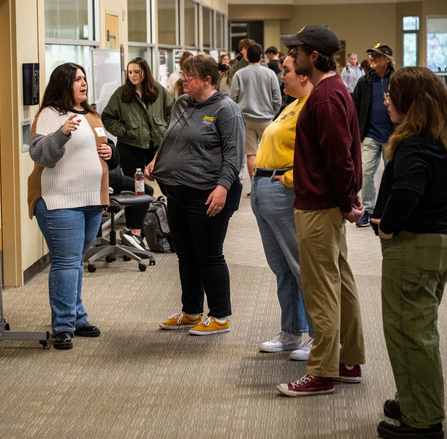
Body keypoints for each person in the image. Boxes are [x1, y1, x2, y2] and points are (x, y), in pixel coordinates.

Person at [276, 25, 366, 397]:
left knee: (321, 289)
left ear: (314, 56)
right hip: (327, 204)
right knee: (340, 283)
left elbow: (339, 158)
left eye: (296, 51)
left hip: (319, 207)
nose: (291, 57)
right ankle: (347, 361)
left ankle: (323, 371)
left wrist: (346, 203)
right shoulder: (332, 92)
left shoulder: (325, 97)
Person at [370, 67, 447, 439]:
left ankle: (425, 420)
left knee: (409, 332)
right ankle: (413, 397)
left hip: (414, 245)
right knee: (419, 327)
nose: (386, 100)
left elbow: (408, 193)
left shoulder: (414, 143)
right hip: (436, 245)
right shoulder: (439, 138)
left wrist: (386, 226)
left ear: (410, 101)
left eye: (391, 95)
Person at [146, 54, 244, 335]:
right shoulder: (182, 103)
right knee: (186, 255)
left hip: (209, 195)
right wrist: (157, 160)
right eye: (182, 73)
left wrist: (222, 187)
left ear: (207, 80)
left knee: (209, 255)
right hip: (177, 194)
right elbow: (171, 138)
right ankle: (191, 312)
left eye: (188, 75)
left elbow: (233, 156)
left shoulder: (227, 110)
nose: (182, 79)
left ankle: (220, 316)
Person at [27, 63, 119, 350]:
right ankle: (64, 326)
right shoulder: (49, 115)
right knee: (66, 263)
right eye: (77, 80)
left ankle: (77, 318)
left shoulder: (91, 113)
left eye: (84, 79)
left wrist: (110, 151)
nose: (83, 83)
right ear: (63, 84)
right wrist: (62, 133)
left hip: (91, 200)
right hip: (59, 201)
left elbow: (110, 155)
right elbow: (41, 155)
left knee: (74, 263)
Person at [252, 55, 314, 361]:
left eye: (286, 71)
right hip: (263, 189)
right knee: (283, 269)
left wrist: (288, 179)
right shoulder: (290, 105)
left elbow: (317, 157)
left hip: (282, 191)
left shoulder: (310, 107)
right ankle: (291, 333)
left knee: (302, 267)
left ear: (303, 76)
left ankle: (319, 337)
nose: (282, 76)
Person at [102, 57, 173, 249]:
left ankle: (172, 228)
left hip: (156, 147)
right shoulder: (122, 94)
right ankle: (135, 233)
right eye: (130, 72)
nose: (133, 76)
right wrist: (125, 132)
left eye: (137, 72)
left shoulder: (158, 91)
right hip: (130, 146)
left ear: (145, 73)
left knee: (168, 186)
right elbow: (107, 117)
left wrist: (164, 130)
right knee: (137, 189)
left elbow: (173, 112)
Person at [352, 43, 395, 228]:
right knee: (366, 172)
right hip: (370, 134)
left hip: (393, 135)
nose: (372, 59)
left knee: (392, 173)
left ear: (387, 59)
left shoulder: (398, 79)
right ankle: (368, 210)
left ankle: (390, 208)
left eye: (376, 57)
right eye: (371, 56)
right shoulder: (365, 81)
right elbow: (355, 106)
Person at [229, 43, 282, 188]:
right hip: (266, 119)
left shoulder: (239, 74)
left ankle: (255, 188)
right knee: (269, 153)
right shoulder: (270, 73)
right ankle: (269, 185)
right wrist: (272, 113)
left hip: (246, 120)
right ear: (261, 56)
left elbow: (232, 98)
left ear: (246, 57)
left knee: (251, 155)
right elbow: (277, 98)